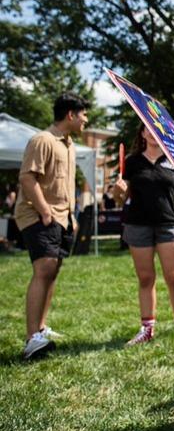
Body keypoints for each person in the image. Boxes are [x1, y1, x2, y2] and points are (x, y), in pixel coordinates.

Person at [16, 92, 90, 360]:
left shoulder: (68, 145)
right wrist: (46, 212)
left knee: (53, 270)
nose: (86, 120)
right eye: (83, 114)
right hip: (39, 215)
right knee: (44, 268)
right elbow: (27, 178)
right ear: (70, 114)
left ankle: (41, 328)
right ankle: (31, 338)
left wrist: (70, 217)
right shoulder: (43, 140)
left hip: (62, 217)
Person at [113, 123, 174, 345]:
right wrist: (116, 191)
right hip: (137, 226)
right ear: (141, 133)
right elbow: (122, 198)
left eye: (156, 129)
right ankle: (147, 328)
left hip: (168, 225)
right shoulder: (132, 162)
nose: (152, 132)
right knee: (146, 278)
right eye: (147, 128)